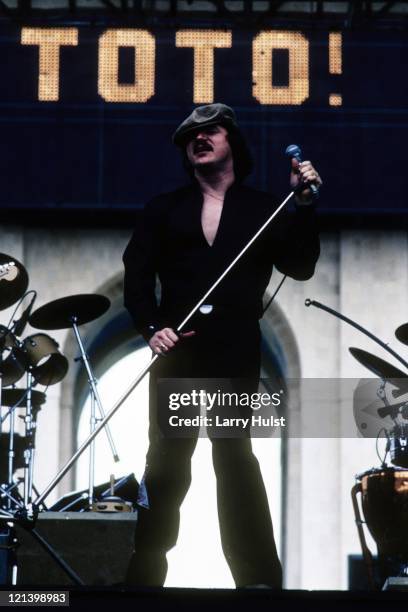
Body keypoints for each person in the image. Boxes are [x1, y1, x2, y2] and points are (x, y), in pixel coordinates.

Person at [123, 103, 322, 588]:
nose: (199, 138)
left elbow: (300, 266)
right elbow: (135, 278)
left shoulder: (262, 208)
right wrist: (152, 327)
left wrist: (305, 205)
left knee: (233, 457)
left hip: (235, 352)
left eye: (210, 131)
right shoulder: (163, 209)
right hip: (179, 353)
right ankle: (144, 579)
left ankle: (256, 580)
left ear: (232, 141)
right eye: (190, 135)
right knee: (167, 463)